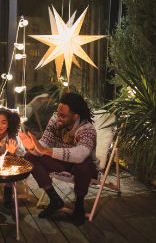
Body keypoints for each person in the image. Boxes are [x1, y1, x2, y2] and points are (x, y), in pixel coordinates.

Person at [19, 92, 99, 226]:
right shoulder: (56, 120)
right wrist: (33, 147)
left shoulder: (87, 129)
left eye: (63, 115)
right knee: (29, 156)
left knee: (84, 164)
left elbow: (80, 154)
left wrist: (46, 151)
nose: (58, 117)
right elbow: (45, 143)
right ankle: (54, 199)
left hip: (84, 168)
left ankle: (79, 204)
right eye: (58, 113)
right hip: (63, 163)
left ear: (75, 116)